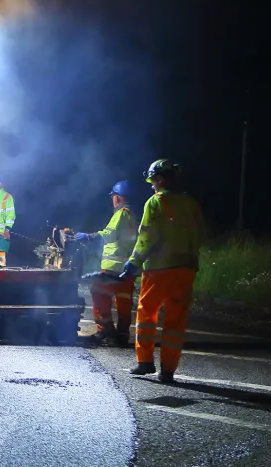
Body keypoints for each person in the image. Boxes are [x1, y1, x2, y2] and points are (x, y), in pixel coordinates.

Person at [121, 159, 205, 383]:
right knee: (176, 321)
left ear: (159, 179)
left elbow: (147, 237)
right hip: (186, 269)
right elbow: (199, 234)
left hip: (159, 268)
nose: (152, 185)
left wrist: (134, 261)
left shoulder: (156, 202)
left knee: (147, 314)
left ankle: (145, 362)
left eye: (153, 180)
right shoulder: (191, 203)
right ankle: (168, 371)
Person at [74, 180, 138, 346]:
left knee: (98, 293)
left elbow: (109, 234)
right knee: (124, 301)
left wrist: (89, 237)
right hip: (127, 268)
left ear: (118, 197)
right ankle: (122, 335)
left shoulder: (121, 213)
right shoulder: (133, 216)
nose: (112, 200)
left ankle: (106, 330)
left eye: (113, 197)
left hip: (112, 268)